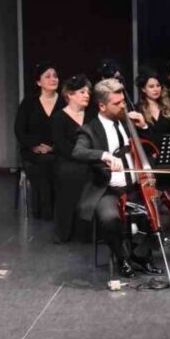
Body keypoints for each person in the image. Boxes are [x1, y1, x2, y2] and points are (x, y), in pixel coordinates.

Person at [72, 78, 170, 278]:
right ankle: (122, 258)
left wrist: (145, 128)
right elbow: (78, 152)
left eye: (123, 101)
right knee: (109, 218)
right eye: (117, 103)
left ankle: (141, 254)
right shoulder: (90, 129)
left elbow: (154, 148)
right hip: (108, 190)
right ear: (102, 105)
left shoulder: (127, 122)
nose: (123, 106)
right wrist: (104, 155)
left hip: (136, 187)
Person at [14, 61, 59, 219]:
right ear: (39, 82)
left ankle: (49, 208)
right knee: (41, 163)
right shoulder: (29, 102)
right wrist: (34, 146)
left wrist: (53, 147)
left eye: (55, 76)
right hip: (32, 150)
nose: (53, 79)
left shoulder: (65, 102)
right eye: (48, 76)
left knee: (51, 161)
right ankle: (44, 208)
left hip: (57, 150)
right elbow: (19, 129)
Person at [51, 74, 92, 243]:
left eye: (88, 92)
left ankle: (88, 232)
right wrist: (81, 156)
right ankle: (65, 232)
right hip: (68, 161)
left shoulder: (92, 117)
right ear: (70, 95)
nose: (86, 95)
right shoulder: (58, 118)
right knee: (70, 174)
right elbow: (61, 146)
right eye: (82, 92)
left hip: (89, 160)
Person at [137, 69, 170, 149]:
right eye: (151, 86)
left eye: (158, 85)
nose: (156, 89)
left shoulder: (169, 109)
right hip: (148, 155)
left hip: (167, 154)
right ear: (143, 89)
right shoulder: (138, 110)